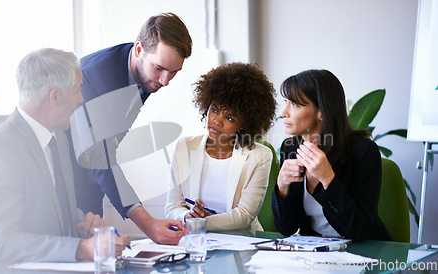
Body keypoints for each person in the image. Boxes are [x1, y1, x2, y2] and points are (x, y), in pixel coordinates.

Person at [0, 48, 130, 272]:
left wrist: (81, 223)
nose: (81, 99)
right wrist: (82, 248)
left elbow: (59, 208)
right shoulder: (0, 151)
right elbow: (4, 243)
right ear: (55, 96)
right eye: (77, 91)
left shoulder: (58, 138)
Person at [69, 12, 192, 244]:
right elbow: (100, 157)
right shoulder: (91, 77)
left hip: (93, 184)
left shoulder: (147, 73)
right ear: (138, 50)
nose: (165, 81)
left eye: (174, 72)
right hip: (65, 186)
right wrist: (149, 224)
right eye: (160, 68)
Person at [271, 69, 392, 242]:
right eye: (286, 102)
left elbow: (360, 230)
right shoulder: (290, 149)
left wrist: (328, 179)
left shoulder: (363, 151)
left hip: (362, 253)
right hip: (315, 253)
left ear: (322, 111)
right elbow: (286, 228)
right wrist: (282, 187)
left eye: (295, 104)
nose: (284, 112)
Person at [165, 62, 277, 231]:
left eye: (230, 118)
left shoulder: (261, 156)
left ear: (244, 124)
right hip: (197, 241)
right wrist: (186, 216)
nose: (217, 121)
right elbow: (172, 207)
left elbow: (245, 215)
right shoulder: (185, 147)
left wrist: (204, 222)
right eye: (215, 109)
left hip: (242, 244)